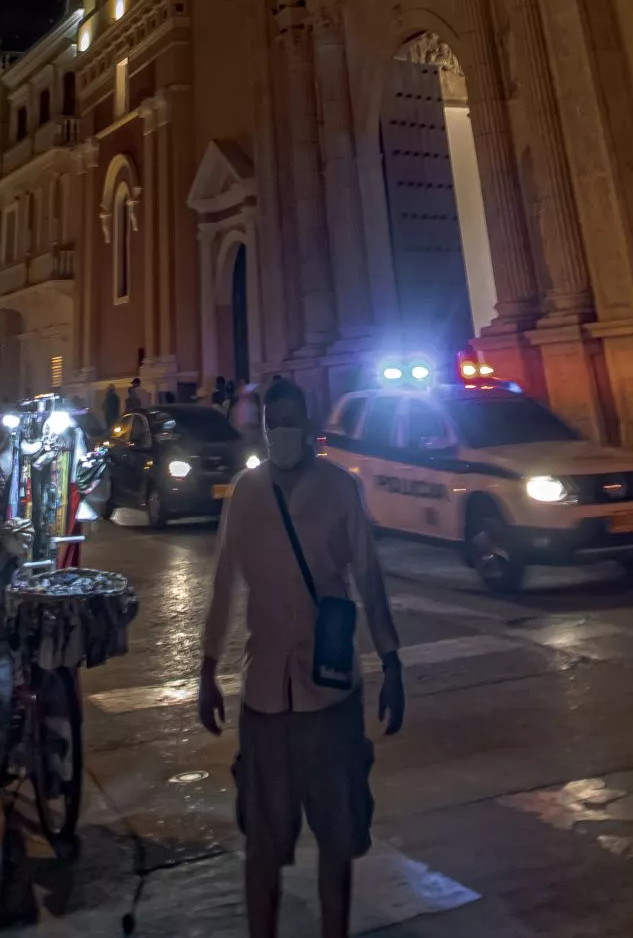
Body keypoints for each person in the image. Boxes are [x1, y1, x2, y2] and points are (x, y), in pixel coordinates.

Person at [199, 378, 404, 938]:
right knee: (262, 846)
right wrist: (206, 669)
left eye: (291, 420)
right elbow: (223, 584)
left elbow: (368, 576)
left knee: (337, 842)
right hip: (265, 695)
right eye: (273, 421)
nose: (282, 431)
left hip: (330, 692)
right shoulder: (246, 492)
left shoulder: (340, 488)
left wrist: (392, 662)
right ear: (263, 428)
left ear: (309, 425)